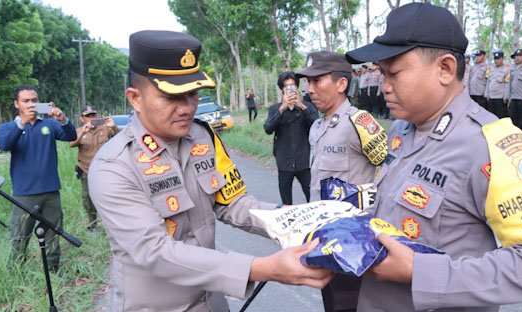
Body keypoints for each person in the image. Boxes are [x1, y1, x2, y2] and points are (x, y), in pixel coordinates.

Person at [345, 3, 522, 311]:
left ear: (445, 69)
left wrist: (421, 272)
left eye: (394, 73)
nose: (384, 86)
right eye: (382, 74)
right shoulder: (403, 129)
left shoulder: (491, 144)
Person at [88, 30, 332, 311]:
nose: (187, 108)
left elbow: (233, 202)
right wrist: (263, 268)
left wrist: (301, 221)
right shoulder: (114, 166)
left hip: (212, 301)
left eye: (192, 93)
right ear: (135, 98)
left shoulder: (202, 136)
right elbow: (155, 252)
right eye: (172, 97)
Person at [296, 51, 388, 312]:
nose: (310, 89)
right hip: (322, 238)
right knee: (331, 303)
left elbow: (391, 170)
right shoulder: (317, 126)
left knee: (350, 305)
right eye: (308, 82)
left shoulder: (359, 123)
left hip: (353, 242)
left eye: (317, 81)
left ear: (341, 84)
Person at [0, 85, 77, 273]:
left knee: (52, 235)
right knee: (19, 237)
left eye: (34, 100)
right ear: (16, 104)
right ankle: (16, 275)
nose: (31, 104)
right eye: (26, 101)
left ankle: (53, 272)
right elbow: (5, 145)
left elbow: (71, 136)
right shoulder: (8, 127)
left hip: (50, 192)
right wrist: (22, 123)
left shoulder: (49, 125)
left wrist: (63, 119)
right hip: (24, 194)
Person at [263, 71, 318, 205]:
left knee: (313, 198)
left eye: (292, 86)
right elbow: (268, 129)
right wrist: (282, 109)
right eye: (286, 86)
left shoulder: (307, 106)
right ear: (282, 89)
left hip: (305, 161)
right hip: (284, 162)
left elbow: (318, 126)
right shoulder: (275, 109)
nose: (290, 89)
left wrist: (302, 106)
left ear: (297, 87)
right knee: (286, 202)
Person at [69, 105, 120, 230]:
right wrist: (83, 132)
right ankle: (92, 225)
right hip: (86, 169)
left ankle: (111, 224)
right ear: (82, 118)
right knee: (88, 198)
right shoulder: (78, 131)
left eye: (93, 115)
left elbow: (120, 137)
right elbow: (72, 143)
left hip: (105, 169)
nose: (91, 118)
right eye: (88, 116)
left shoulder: (105, 128)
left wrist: (113, 125)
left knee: (109, 195)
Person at [484, 50, 509, 118]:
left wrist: (506, 97)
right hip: (491, 97)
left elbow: (507, 84)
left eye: (498, 58)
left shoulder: (507, 69)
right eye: (495, 58)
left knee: (500, 117)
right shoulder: (491, 69)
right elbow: (488, 82)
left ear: (502, 59)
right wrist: (486, 93)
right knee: (491, 117)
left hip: (500, 98)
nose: (496, 60)